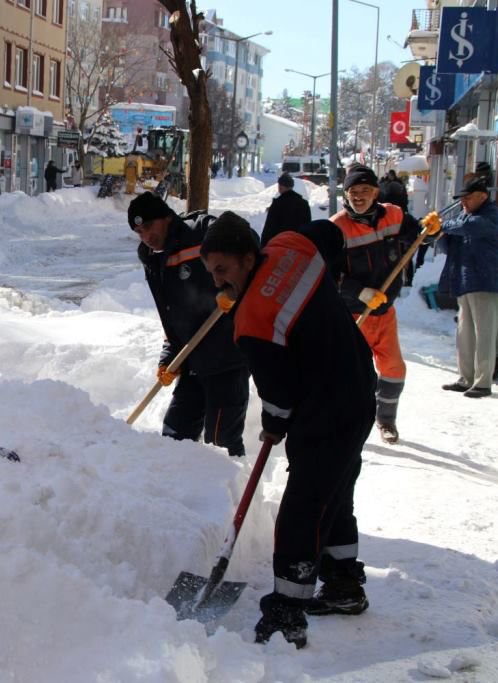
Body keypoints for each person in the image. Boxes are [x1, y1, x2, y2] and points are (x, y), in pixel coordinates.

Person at [200, 215, 376, 650]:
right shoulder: (291, 246)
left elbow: (279, 396)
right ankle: (343, 586)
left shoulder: (254, 320)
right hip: (358, 387)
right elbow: (331, 235)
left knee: (303, 508)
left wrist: (276, 424)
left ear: (246, 258)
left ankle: (285, 616)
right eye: (211, 273)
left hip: (327, 409)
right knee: (335, 493)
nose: (218, 283)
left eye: (223, 271)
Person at [128, 192, 249, 457]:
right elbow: (170, 316)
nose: (145, 235)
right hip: (193, 361)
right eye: (138, 231)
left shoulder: (202, 231)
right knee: (173, 438)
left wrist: (235, 289)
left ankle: (237, 495)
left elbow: (247, 245)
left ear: (166, 218)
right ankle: (172, 495)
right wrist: (168, 357)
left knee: (222, 443)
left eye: (148, 226)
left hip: (228, 358)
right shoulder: (153, 260)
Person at [331, 165, 421, 444]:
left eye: (365, 191)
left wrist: (430, 231)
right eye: (353, 191)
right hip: (351, 315)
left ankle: (386, 421)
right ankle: (343, 423)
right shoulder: (336, 227)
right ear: (346, 194)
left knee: (393, 368)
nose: (359, 196)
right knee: (349, 374)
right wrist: (359, 292)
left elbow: (416, 235)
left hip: (384, 313)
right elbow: (327, 275)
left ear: (375, 192)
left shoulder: (393, 215)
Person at [439, 178, 498, 398]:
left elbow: (469, 227)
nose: (463, 203)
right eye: (461, 199)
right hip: (466, 280)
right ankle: (465, 378)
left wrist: (442, 225)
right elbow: (449, 243)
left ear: (483, 196)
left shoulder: (490, 216)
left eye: (467, 198)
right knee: (464, 333)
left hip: (485, 281)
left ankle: (483, 382)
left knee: (484, 333)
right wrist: (438, 234)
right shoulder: (464, 216)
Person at [261, 174, 312, 245]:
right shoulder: (303, 203)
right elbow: (307, 226)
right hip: (298, 244)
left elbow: (269, 229)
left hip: (280, 244)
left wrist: (264, 247)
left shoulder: (277, 204)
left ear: (280, 187)